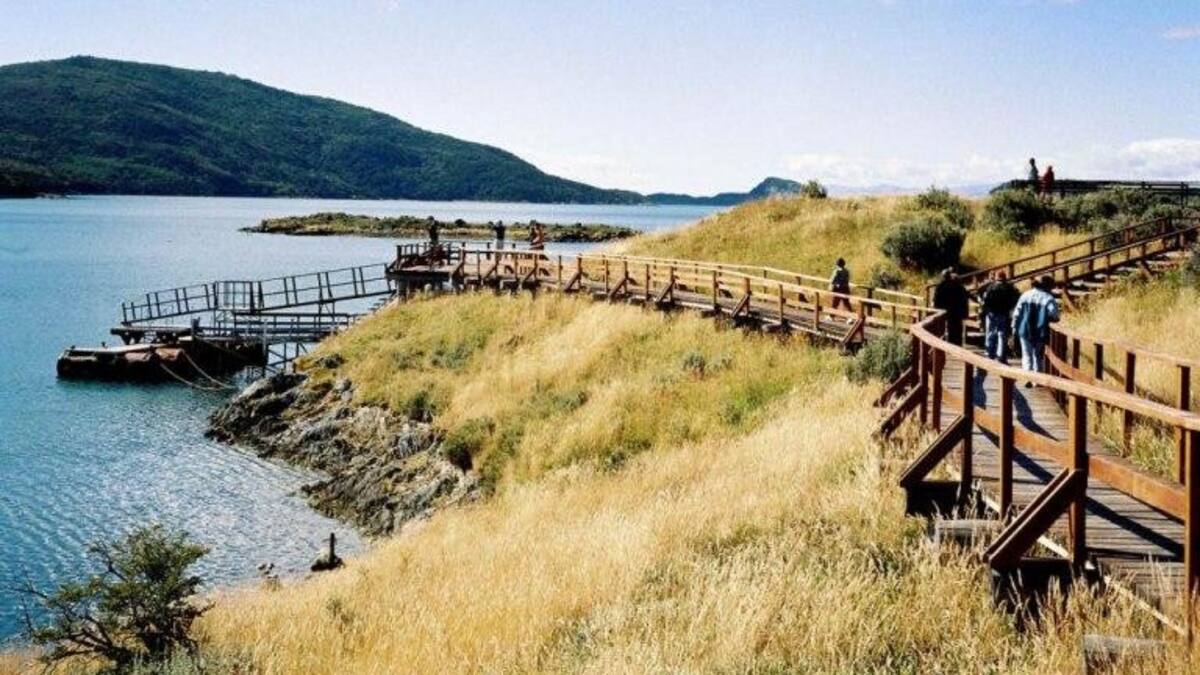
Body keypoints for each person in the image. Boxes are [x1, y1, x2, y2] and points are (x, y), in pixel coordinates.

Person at [1012, 275, 1061, 386]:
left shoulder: (1025, 295)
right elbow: (1055, 316)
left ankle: (1027, 378)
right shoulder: (1048, 298)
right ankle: (1037, 380)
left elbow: (1017, 313)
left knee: (1026, 354)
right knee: (1037, 356)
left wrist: (1014, 328)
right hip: (1040, 330)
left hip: (1024, 329)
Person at [978, 271, 1019, 364]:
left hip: (991, 313)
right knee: (1002, 335)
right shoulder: (1010, 287)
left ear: (996, 277)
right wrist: (1010, 309)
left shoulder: (991, 287)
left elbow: (985, 300)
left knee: (990, 333)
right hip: (1004, 313)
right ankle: (1001, 356)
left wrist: (984, 311)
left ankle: (989, 354)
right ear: (1005, 277)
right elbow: (1015, 299)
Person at [932, 268, 971, 346]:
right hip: (957, 311)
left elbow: (936, 299)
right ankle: (957, 344)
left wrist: (936, 309)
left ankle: (947, 344)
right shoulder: (957, 285)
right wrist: (965, 312)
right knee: (957, 329)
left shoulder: (940, 286)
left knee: (946, 328)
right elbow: (964, 298)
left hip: (945, 311)